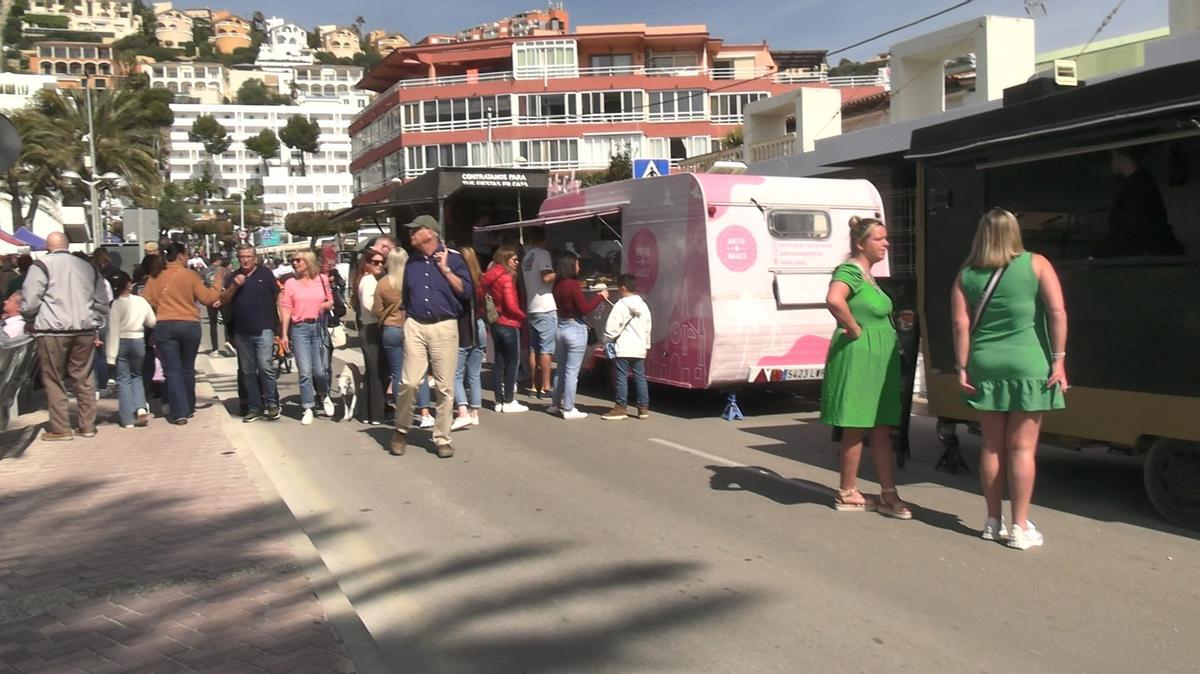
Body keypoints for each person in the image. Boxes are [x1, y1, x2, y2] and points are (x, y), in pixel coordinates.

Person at [951, 208, 1068, 550]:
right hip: (1029, 363)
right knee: (1022, 447)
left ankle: (991, 521)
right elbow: (1057, 311)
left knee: (991, 445)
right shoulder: (1037, 264)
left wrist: (962, 366)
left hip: (985, 364)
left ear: (981, 235)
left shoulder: (966, 274)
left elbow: (960, 325)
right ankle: (1019, 526)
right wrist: (1059, 361)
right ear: (1014, 232)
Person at [819, 216, 911, 520]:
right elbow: (834, 299)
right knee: (857, 423)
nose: (886, 244)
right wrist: (854, 329)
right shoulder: (850, 271)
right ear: (861, 244)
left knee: (881, 426)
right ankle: (847, 491)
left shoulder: (868, 276)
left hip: (879, 361)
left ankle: (888, 493)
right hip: (860, 357)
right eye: (879, 239)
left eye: (886, 238)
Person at [389, 223, 473, 459]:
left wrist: (445, 269)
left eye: (416, 230)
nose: (411, 234)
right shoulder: (411, 262)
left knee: (445, 387)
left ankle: (442, 438)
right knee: (410, 382)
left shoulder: (454, 258)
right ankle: (401, 429)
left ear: (430, 233)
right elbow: (406, 297)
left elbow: (466, 292)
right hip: (415, 324)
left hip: (444, 325)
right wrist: (406, 325)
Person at [20, 231, 109, 441]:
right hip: (84, 329)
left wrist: (29, 317)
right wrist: (96, 321)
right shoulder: (88, 267)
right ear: (67, 245)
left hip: (52, 330)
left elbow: (31, 300)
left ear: (47, 246)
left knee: (54, 379)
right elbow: (101, 299)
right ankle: (87, 425)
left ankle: (61, 428)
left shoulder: (41, 266)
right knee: (84, 377)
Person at [144, 242, 220, 424]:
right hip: (189, 325)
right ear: (180, 256)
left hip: (165, 325)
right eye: (186, 255)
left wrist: (159, 308)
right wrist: (218, 283)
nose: (187, 258)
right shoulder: (190, 275)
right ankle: (190, 405)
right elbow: (208, 298)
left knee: (172, 370)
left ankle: (179, 412)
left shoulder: (155, 277)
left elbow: (146, 299)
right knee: (187, 367)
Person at [218, 244, 281, 423]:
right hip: (241, 331)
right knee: (247, 372)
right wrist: (235, 286)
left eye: (248, 256)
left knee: (265, 366)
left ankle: (272, 403)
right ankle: (254, 406)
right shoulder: (232, 277)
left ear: (255, 258)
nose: (245, 260)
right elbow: (223, 300)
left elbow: (277, 297)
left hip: (264, 328)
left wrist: (280, 328)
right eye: (242, 257)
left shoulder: (265, 274)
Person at [279, 251, 336, 425]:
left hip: (318, 327)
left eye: (298, 260)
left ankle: (324, 394)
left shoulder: (322, 279)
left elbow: (330, 299)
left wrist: (326, 304)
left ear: (308, 262)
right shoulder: (290, 283)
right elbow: (286, 308)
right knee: (304, 371)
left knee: (320, 370)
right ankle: (308, 407)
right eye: (293, 260)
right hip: (299, 329)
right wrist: (284, 334)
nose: (294, 263)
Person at [549, 251, 607, 420]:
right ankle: (569, 408)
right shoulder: (572, 284)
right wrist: (600, 297)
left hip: (560, 326)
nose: (579, 266)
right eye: (576, 264)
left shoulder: (557, 284)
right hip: (575, 328)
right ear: (570, 266)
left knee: (560, 368)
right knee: (572, 372)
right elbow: (584, 308)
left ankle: (555, 404)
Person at [1098, 147, 1185, 257]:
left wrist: (1099, 256)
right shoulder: (1142, 182)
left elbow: (1128, 229)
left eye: (1111, 156)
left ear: (1119, 155)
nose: (1110, 162)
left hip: (1146, 258)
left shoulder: (1137, 187)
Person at [482, 245, 528, 415]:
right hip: (509, 323)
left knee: (499, 363)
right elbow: (511, 304)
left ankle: (498, 401)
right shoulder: (507, 278)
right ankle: (508, 400)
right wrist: (523, 316)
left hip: (495, 322)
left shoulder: (490, 276)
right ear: (506, 259)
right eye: (514, 259)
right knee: (512, 363)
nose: (517, 262)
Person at [106, 271, 155, 429]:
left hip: (121, 341)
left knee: (123, 380)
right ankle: (141, 406)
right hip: (139, 339)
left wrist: (110, 357)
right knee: (137, 376)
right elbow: (152, 322)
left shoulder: (115, 304)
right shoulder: (141, 301)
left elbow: (112, 330)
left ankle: (127, 418)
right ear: (129, 284)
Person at [600, 274, 652, 421]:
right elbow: (648, 327)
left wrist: (606, 340)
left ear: (622, 288)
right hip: (640, 346)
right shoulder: (643, 305)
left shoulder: (621, 305)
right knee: (640, 377)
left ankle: (621, 406)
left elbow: (612, 327)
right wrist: (646, 345)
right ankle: (643, 408)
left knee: (621, 377)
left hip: (623, 346)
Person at [451, 245, 488, 430]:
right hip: (480, 325)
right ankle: (475, 411)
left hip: (464, 327)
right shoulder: (481, 279)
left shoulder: (460, 281)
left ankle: (462, 408)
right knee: (474, 372)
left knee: (456, 374)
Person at [521, 227, 557, 398]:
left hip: (532, 306)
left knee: (534, 349)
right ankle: (546, 386)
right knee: (546, 350)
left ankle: (534, 386)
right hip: (545, 306)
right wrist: (561, 273)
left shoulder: (527, 257)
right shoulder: (543, 254)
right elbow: (546, 277)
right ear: (545, 239)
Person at [374, 246, 409, 412]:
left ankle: (400, 407)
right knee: (415, 370)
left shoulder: (383, 283)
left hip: (390, 328)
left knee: (396, 372)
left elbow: (377, 310)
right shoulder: (411, 280)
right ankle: (421, 408)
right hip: (411, 327)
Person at [357, 249, 388, 425]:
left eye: (381, 262)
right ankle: (376, 413)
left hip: (370, 327)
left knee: (372, 372)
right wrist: (387, 313)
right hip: (371, 328)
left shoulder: (368, 280)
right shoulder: (368, 280)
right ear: (366, 264)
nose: (379, 265)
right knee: (376, 371)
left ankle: (368, 412)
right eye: (375, 262)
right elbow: (370, 305)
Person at [204, 255, 230, 355]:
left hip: (210, 299)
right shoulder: (224, 271)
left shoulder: (204, 271)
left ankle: (215, 349)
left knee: (213, 323)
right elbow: (229, 284)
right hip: (223, 298)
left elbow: (201, 285)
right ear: (218, 260)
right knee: (227, 322)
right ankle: (228, 342)